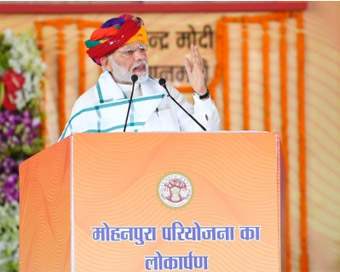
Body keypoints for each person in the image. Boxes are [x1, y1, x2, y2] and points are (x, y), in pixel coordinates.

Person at [59, 14, 220, 141]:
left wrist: (201, 93)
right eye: (128, 52)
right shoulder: (87, 106)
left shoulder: (163, 91)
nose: (140, 56)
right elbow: (67, 160)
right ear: (107, 63)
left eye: (142, 48)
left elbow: (203, 137)